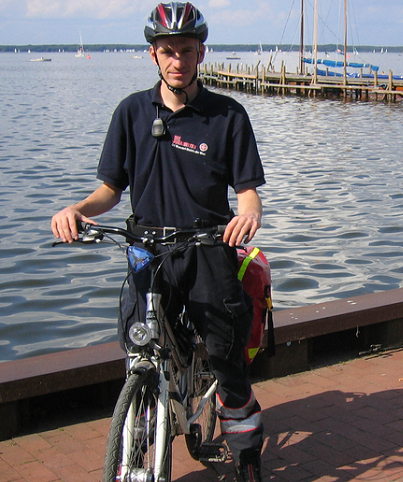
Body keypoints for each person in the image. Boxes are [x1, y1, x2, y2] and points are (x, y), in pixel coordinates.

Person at [50, 3, 265, 480]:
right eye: (167, 51)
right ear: (153, 55)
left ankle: (247, 455)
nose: (177, 61)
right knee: (138, 347)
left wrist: (248, 216)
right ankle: (141, 434)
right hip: (146, 250)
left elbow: (248, 194)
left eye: (186, 51)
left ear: (201, 52)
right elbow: (110, 190)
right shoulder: (131, 112)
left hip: (207, 247)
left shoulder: (227, 116)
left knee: (227, 358)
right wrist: (76, 211)